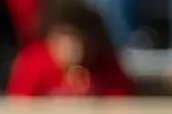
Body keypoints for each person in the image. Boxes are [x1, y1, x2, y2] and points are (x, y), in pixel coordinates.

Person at [7, 5, 136, 97]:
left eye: (76, 37)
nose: (71, 46)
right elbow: (19, 107)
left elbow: (122, 110)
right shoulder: (35, 60)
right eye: (63, 35)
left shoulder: (108, 67)